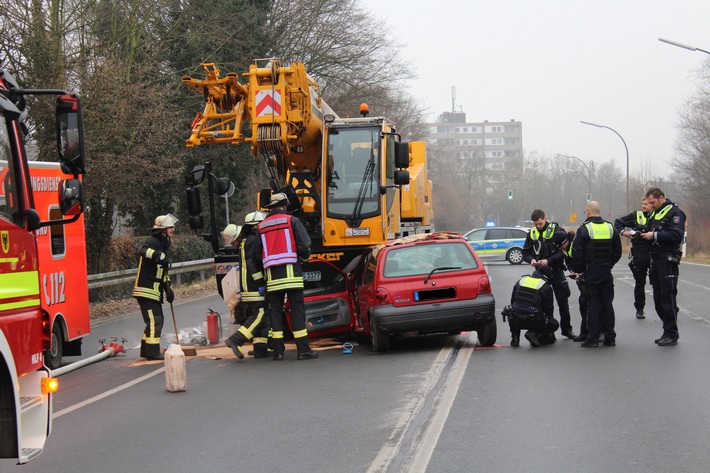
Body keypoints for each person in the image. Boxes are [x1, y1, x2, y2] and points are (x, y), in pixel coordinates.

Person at [256, 192, 318, 360]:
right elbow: (305, 244)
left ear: (271, 208)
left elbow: (256, 253)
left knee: (275, 312)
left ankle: (278, 352)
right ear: (284, 205)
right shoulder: (292, 221)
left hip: (272, 278)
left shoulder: (261, 226)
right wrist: (304, 259)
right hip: (292, 275)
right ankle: (303, 350)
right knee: (297, 311)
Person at [571, 201, 622, 347]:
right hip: (606, 271)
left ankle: (593, 339)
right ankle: (610, 337)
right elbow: (617, 251)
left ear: (588, 211)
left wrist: (580, 271)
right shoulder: (610, 227)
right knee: (607, 304)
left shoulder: (584, 229)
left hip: (591, 271)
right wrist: (609, 264)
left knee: (593, 305)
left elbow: (577, 253)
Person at [640, 188, 686, 346]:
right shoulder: (655, 214)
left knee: (668, 298)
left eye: (653, 202)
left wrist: (656, 235)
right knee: (658, 299)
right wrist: (638, 234)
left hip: (668, 260)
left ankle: (671, 333)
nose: (651, 205)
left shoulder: (675, 213)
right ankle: (667, 329)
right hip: (656, 260)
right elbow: (650, 232)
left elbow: (677, 235)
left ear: (662, 198)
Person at [522, 209, 577, 339]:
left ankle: (567, 330)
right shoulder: (532, 233)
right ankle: (548, 331)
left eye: (540, 223)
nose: (538, 226)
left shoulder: (557, 232)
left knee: (563, 301)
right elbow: (525, 253)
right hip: (540, 273)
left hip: (555, 270)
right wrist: (531, 260)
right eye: (535, 224)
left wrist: (548, 261)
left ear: (545, 218)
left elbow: (564, 252)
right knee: (544, 304)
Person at [224, 212, 272, 359]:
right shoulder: (252, 240)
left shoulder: (246, 241)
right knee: (259, 315)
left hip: (248, 288)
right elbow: (253, 265)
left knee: (264, 319)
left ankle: (260, 348)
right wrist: (261, 283)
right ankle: (235, 340)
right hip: (254, 288)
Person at [132, 214, 178, 360]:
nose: (173, 229)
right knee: (154, 321)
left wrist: (168, 289)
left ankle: (145, 351)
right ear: (162, 229)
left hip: (154, 290)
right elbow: (142, 250)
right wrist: (158, 255)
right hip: (146, 289)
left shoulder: (164, 243)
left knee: (156, 320)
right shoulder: (153, 241)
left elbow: (163, 271)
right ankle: (152, 352)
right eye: (170, 227)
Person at [614, 197, 653, 319]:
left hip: (654, 253)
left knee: (659, 283)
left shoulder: (658, 216)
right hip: (639, 253)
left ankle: (666, 309)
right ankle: (640, 309)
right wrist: (623, 232)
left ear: (652, 204)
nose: (643, 206)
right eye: (642, 203)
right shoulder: (636, 215)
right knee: (640, 282)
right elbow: (618, 222)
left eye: (646, 204)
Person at [505, 265, 559, 347]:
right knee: (554, 323)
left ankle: (515, 339)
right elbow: (548, 309)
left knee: (512, 312)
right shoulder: (545, 286)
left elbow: (513, 301)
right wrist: (549, 331)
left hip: (515, 319)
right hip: (533, 319)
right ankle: (534, 334)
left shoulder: (521, 281)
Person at [562, 230, 589, 342]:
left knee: (588, 304)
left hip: (587, 276)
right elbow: (568, 262)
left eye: (560, 244)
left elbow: (586, 261)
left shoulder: (577, 246)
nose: (559, 247)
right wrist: (572, 271)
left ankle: (593, 332)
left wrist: (581, 274)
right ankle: (585, 332)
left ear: (566, 241)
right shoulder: (565, 249)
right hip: (579, 277)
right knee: (583, 303)